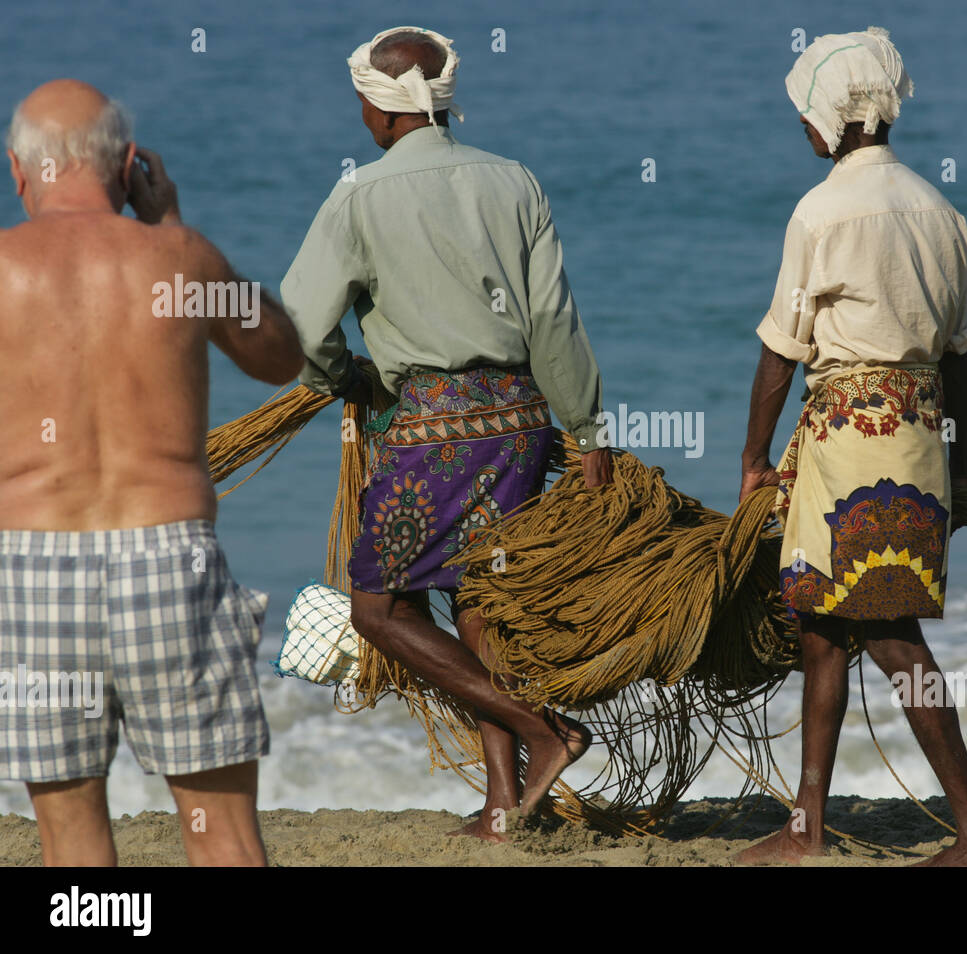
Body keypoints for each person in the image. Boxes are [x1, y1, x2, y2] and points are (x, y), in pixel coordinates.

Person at [282, 27, 609, 841]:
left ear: (379, 108)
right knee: (478, 602)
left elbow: (301, 323)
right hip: (523, 423)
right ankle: (504, 800)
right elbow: (552, 322)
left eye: (361, 98)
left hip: (434, 433)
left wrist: (345, 380)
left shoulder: (358, 196)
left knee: (379, 605)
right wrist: (590, 429)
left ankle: (547, 734)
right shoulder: (513, 181)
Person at [0, 80, 305, 865]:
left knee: (72, 848)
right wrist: (168, 222)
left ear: (18, 168)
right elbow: (280, 357)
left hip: (32, 569)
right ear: (132, 165)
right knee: (226, 840)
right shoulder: (178, 256)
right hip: (168, 557)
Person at [738, 29, 967, 865]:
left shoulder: (821, 211)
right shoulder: (940, 211)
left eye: (806, 114)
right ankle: (806, 827)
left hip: (849, 448)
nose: (801, 128)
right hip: (921, 438)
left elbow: (782, 350)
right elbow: (958, 358)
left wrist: (753, 459)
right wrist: (959, 467)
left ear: (838, 117)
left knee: (890, 635)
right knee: (823, 624)